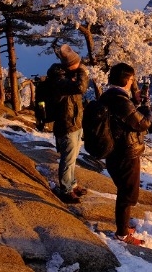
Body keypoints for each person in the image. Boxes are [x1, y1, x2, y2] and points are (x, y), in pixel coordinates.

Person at [101, 62, 152, 245]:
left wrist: (135, 103)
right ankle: (122, 234)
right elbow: (143, 123)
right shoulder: (120, 100)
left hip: (115, 151)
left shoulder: (110, 96)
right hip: (125, 153)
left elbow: (127, 118)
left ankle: (123, 226)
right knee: (127, 193)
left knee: (125, 190)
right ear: (125, 80)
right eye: (131, 79)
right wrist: (145, 105)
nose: (132, 82)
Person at [48, 44, 89, 204]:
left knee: (73, 157)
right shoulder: (59, 79)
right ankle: (65, 190)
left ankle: (72, 184)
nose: (80, 65)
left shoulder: (67, 76)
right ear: (72, 65)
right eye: (77, 63)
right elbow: (81, 87)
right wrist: (81, 72)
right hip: (66, 125)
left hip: (75, 123)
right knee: (68, 159)